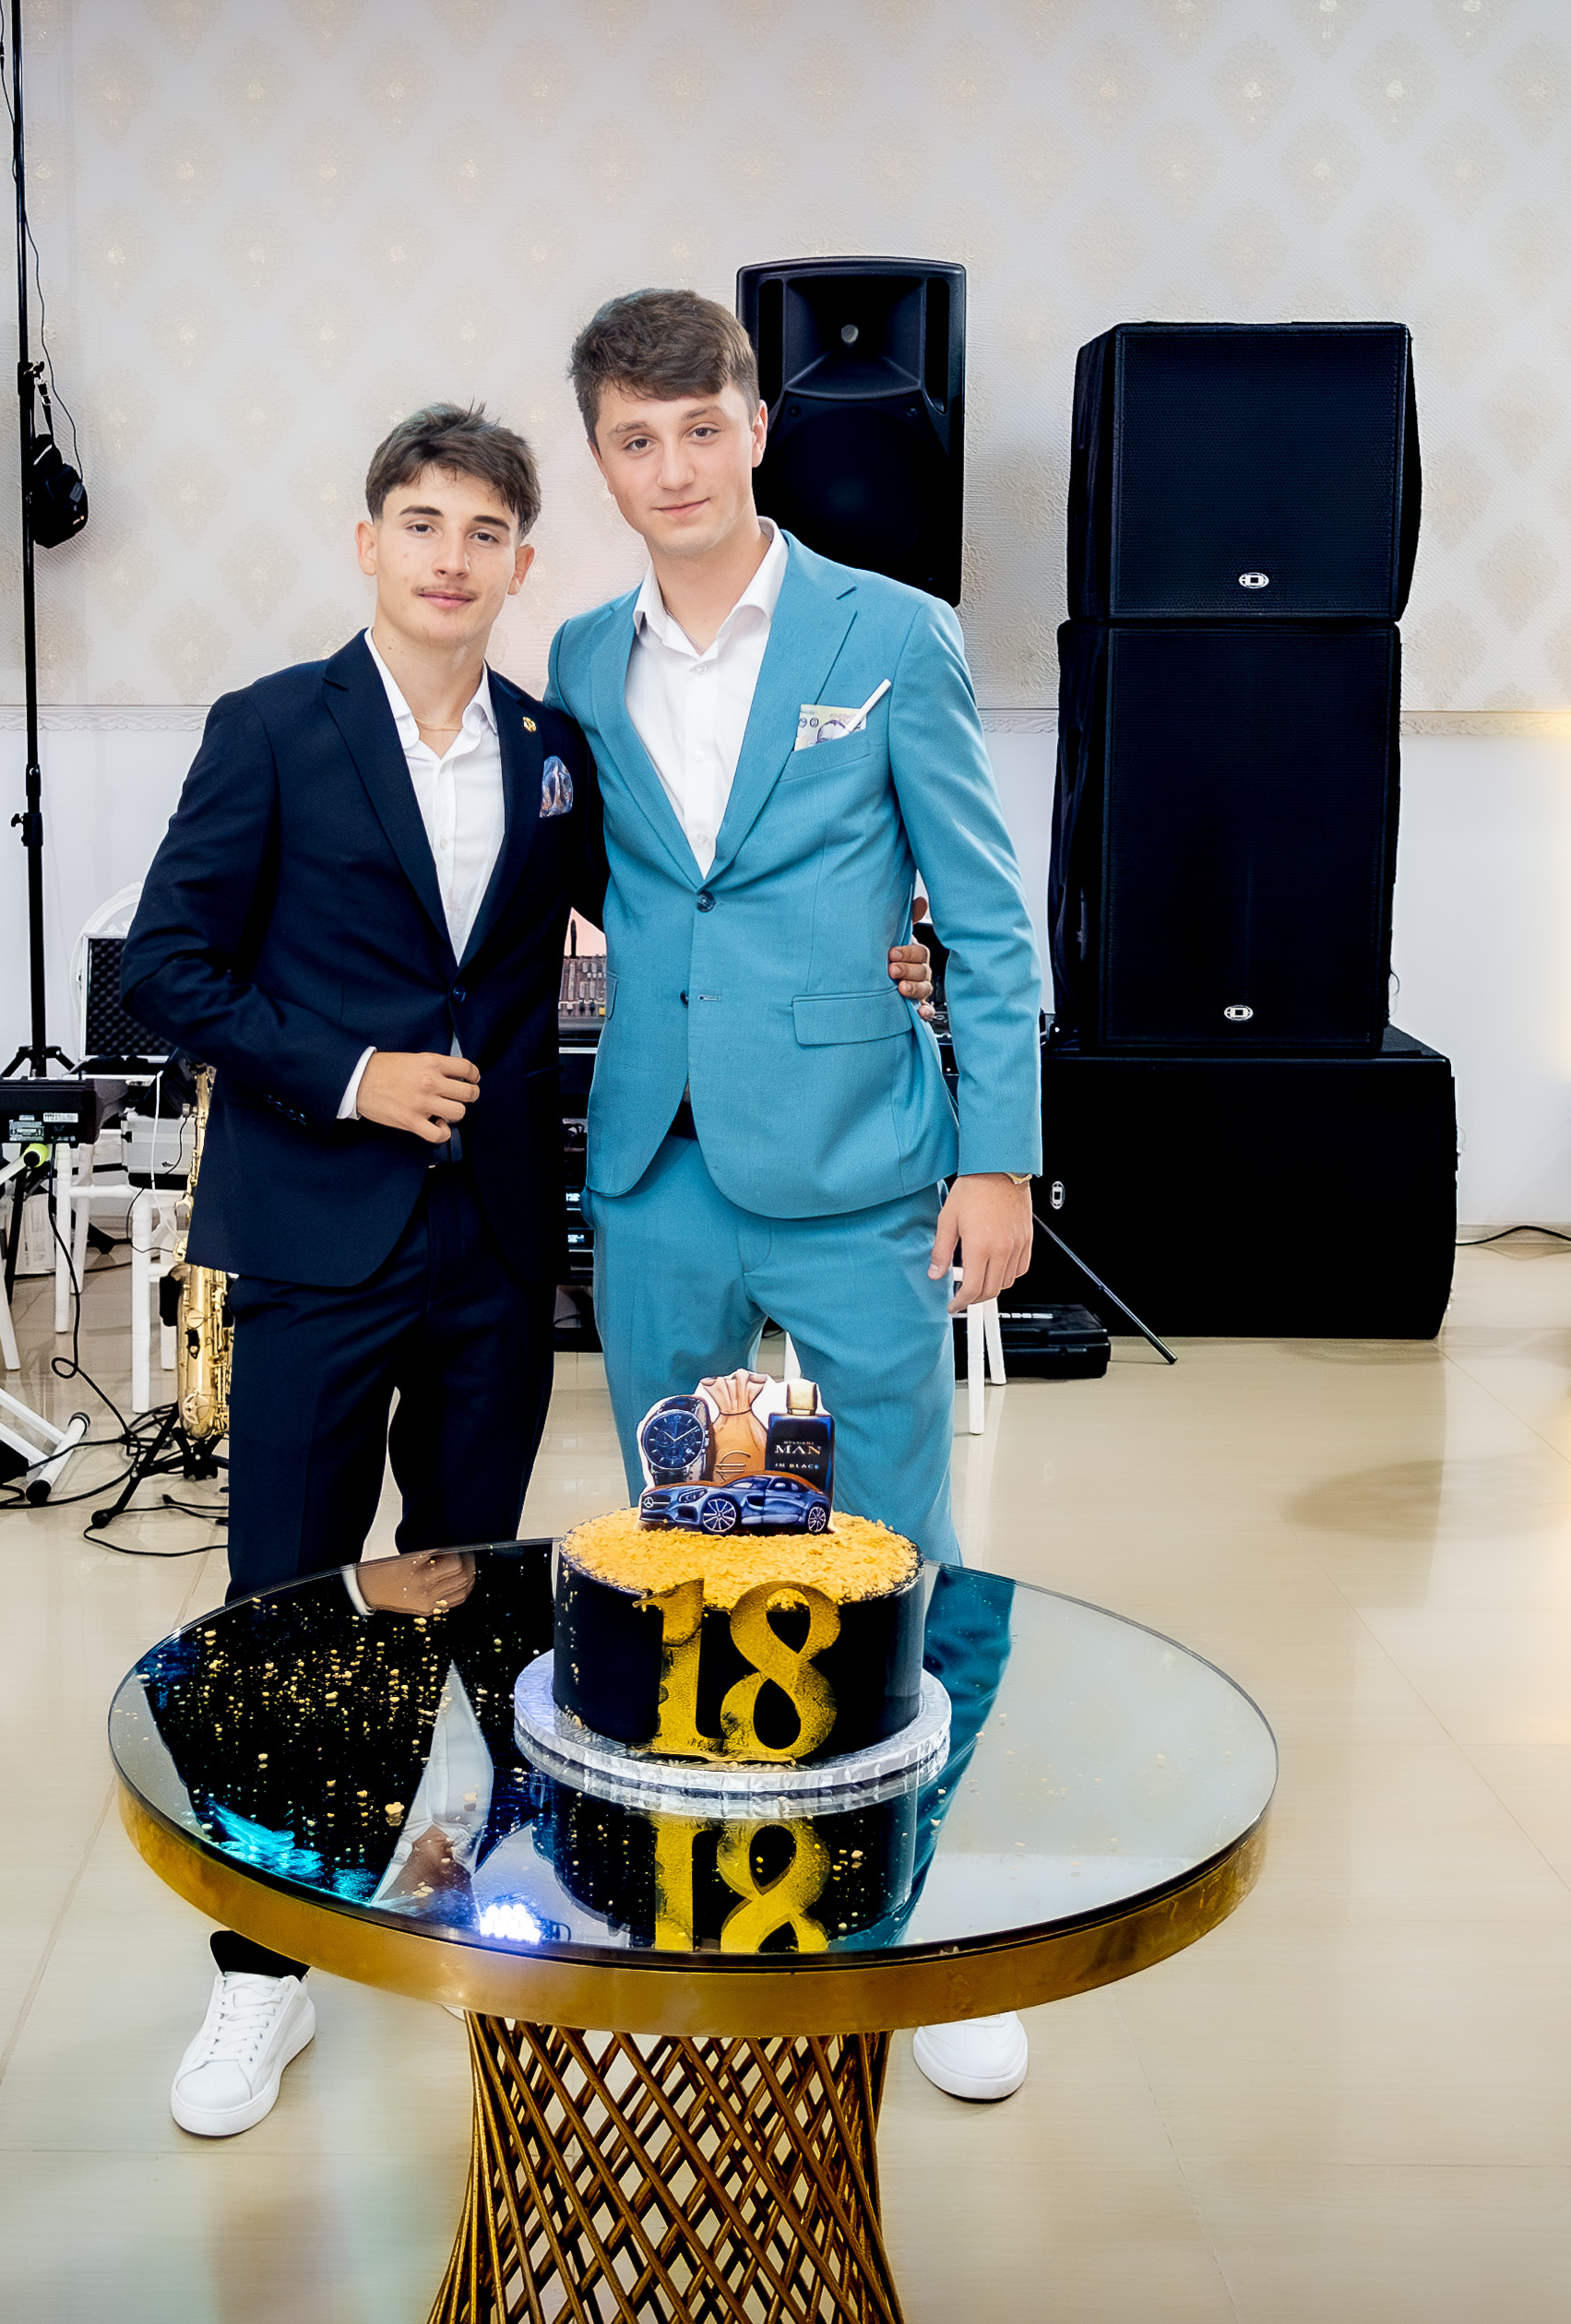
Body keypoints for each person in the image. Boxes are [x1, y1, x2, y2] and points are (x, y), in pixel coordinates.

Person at [541, 287, 1048, 2104]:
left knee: (897, 1552)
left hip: (859, 1165)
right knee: (682, 1545)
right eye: (635, 439)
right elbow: (602, 883)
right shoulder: (579, 659)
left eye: (701, 429)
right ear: (602, 461)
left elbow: (982, 914)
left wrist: (1000, 1155)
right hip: (659, 1164)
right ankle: (705, 1887)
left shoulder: (890, 633)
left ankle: (912, 1911)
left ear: (756, 428)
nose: (673, 466)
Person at [120, 403, 601, 2139]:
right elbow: (165, 972)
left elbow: (666, 916)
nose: (450, 558)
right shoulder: (271, 729)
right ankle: (261, 1974)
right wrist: (349, 1075)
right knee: (283, 1608)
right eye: (421, 524)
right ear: (367, 542)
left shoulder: (556, 750)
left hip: (493, 1246)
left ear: (524, 563)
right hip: (317, 1235)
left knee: (472, 1596)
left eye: (484, 532)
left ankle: (463, 1904)